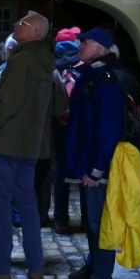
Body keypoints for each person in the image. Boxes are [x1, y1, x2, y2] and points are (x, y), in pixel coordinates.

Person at [0, 12, 68, 279]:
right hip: (31, 145)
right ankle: (36, 269)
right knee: (28, 206)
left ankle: (0, 271)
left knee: (0, 207)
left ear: (36, 32)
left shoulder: (20, 61)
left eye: (23, 23)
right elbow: (59, 107)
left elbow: (6, 104)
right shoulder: (47, 65)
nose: (16, 24)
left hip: (5, 142)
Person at [64, 27, 127, 279]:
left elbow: (108, 128)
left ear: (99, 47)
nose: (80, 45)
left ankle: (102, 277)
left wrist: (97, 168)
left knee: (99, 222)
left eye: (85, 42)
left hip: (96, 165)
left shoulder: (105, 80)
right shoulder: (93, 76)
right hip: (87, 160)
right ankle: (93, 266)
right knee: (91, 220)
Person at [51, 32, 85, 234]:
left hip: (59, 129)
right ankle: (87, 217)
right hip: (80, 128)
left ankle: (60, 219)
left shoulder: (54, 73)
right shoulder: (84, 72)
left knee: (60, 175)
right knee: (84, 172)